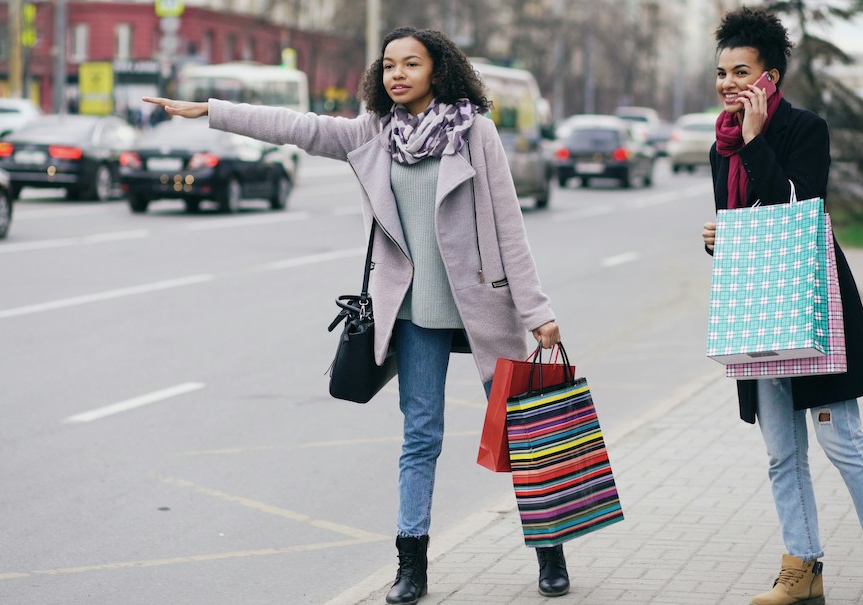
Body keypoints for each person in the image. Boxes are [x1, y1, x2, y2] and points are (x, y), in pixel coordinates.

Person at [143, 26, 568, 604]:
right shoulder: (373, 134)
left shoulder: (476, 134)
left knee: (525, 430)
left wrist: (536, 309)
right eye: (389, 64)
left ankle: (550, 552)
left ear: (436, 71)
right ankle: (411, 568)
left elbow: (509, 226)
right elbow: (298, 127)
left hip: (481, 305)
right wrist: (213, 111)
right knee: (420, 437)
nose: (397, 74)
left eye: (410, 64)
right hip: (413, 314)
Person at [700, 8, 863, 605]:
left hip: (813, 301)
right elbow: (743, 224)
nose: (726, 84)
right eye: (720, 73)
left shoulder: (805, 128)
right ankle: (803, 567)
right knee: (780, 453)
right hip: (757, 309)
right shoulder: (720, 147)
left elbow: (796, 205)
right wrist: (716, 237)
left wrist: (753, 139)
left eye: (739, 71)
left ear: (770, 76)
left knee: (841, 439)